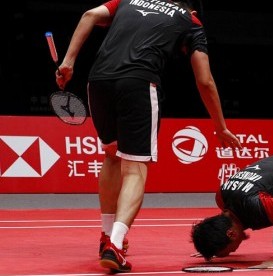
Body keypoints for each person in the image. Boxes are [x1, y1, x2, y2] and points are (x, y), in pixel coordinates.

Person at [55, 0, 242, 273]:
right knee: (135, 169)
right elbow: (204, 80)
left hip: (98, 81)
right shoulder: (190, 21)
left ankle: (108, 235)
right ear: (190, 8)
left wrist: (69, 62)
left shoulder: (126, 2)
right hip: (138, 83)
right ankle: (115, 245)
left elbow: (89, 14)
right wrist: (220, 127)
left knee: (111, 155)